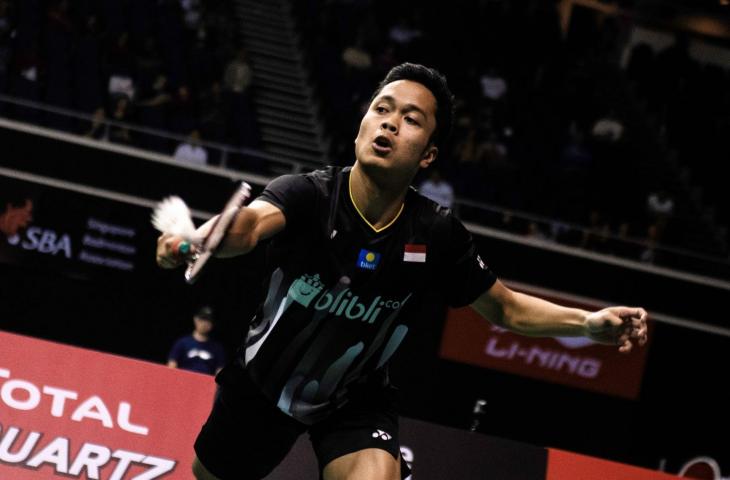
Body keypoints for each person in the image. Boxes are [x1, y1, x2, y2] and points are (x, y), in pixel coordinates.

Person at [156, 63, 648, 480]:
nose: (388, 124)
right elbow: (249, 226)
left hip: (353, 396)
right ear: (360, 127)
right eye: (381, 109)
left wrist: (586, 324)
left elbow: (505, 309)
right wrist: (202, 239)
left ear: (429, 154)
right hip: (265, 380)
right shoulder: (308, 194)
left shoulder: (436, 234)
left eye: (410, 120)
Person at [167, 306, 226, 375]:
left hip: (206, 383)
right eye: (202, 319)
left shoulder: (217, 348)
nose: (205, 323)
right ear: (195, 319)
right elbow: (171, 367)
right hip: (183, 381)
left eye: (209, 320)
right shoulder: (182, 343)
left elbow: (220, 372)